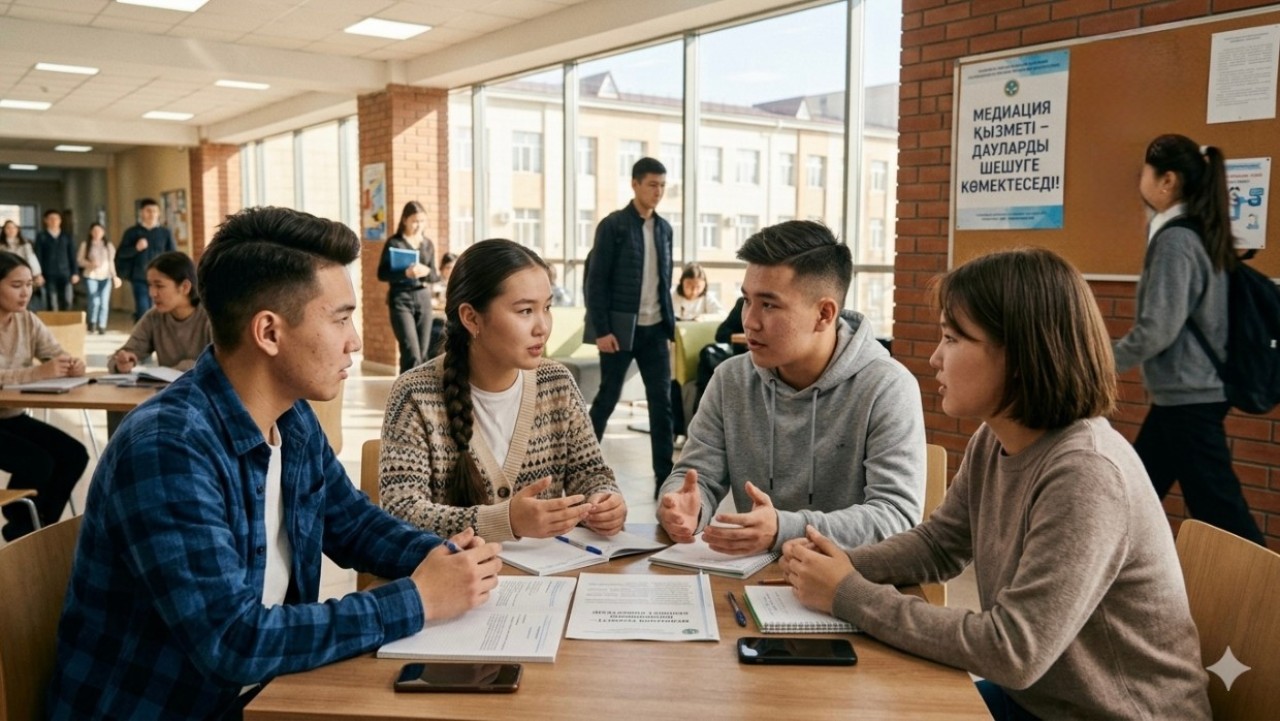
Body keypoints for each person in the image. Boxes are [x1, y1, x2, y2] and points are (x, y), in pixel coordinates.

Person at [49, 207, 502, 719]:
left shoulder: (292, 418)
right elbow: (233, 642)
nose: (354, 339)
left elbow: (351, 521)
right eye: (341, 317)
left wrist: (446, 559)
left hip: (268, 694)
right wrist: (417, 600)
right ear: (268, 332)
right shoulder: (168, 447)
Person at [781, 248, 1211, 720]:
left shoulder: (1087, 473)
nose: (934, 357)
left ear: (1023, 354)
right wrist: (836, 566)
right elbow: (940, 544)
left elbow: (1012, 650)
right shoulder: (996, 437)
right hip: (1037, 702)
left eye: (952, 338)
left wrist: (848, 592)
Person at [657, 220, 925, 555]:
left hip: (850, 585)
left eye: (769, 304)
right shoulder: (731, 379)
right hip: (752, 581)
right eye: (746, 300)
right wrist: (684, 507)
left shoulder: (887, 387)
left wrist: (784, 529)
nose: (750, 321)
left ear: (824, 314)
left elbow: (896, 518)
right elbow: (696, 478)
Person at [380, 238, 626, 542]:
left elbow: (590, 473)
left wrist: (604, 499)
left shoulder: (557, 383)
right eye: (525, 311)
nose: (542, 327)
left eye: (546, 308)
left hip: (549, 583)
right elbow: (400, 513)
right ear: (471, 317)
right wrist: (505, 520)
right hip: (457, 583)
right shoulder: (415, 394)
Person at [1113, 134, 1265, 545]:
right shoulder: (1198, 233)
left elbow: (1157, 330)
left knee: (1221, 515)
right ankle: (1106, 577)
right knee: (1134, 497)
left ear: (1167, 181)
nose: (1139, 179)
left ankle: (1266, 599)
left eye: (1145, 171)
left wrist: (1098, 361)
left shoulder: (1176, 241)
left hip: (1189, 398)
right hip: (1184, 398)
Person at [585, 157, 677, 494]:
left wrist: (670, 327)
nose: (658, 192)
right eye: (652, 184)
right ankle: (583, 469)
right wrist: (602, 330)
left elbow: (664, 281)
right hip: (619, 330)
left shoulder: (665, 229)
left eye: (663, 185)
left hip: (655, 330)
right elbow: (596, 282)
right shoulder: (613, 226)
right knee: (607, 398)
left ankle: (664, 479)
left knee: (662, 404)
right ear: (635, 184)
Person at [0, 252, 89, 541]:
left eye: (29, 284)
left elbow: (56, 354)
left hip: (12, 417)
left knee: (75, 454)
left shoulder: (26, 320)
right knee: (39, 462)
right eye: (16, 285)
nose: (25, 292)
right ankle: (22, 529)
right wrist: (37, 373)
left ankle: (38, 530)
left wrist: (72, 364)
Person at [105, 251, 212, 436]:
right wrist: (121, 362)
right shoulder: (155, 317)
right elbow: (126, 351)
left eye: (159, 286)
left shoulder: (211, 317)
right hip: (169, 398)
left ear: (185, 287)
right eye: (150, 285)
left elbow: (222, 365)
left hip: (205, 401)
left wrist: (182, 367)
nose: (152, 293)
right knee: (119, 411)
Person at [377, 200, 442, 374]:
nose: (418, 225)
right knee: (410, 351)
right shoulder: (394, 243)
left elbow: (435, 276)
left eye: (422, 221)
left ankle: (420, 395)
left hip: (423, 297)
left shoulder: (427, 244)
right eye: (414, 221)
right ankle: (406, 396)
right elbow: (382, 274)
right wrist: (405, 274)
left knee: (423, 353)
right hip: (400, 298)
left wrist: (426, 270)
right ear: (405, 220)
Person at [115, 197, 176, 322]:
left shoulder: (165, 233)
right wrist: (136, 248)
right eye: (148, 211)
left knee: (158, 309)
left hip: (161, 278)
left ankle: (155, 336)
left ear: (159, 213)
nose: (152, 214)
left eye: (155, 211)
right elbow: (121, 254)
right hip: (139, 277)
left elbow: (173, 254)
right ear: (141, 212)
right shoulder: (132, 232)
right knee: (143, 309)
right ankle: (144, 334)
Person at [76, 222, 121, 334]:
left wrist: (114, 276)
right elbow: (79, 260)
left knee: (104, 302)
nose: (97, 233)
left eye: (99, 231)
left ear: (103, 232)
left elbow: (111, 262)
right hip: (91, 276)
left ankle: (102, 325)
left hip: (106, 276)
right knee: (94, 300)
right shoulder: (85, 245)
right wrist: (89, 264)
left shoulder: (108, 246)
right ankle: (92, 322)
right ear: (91, 232)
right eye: (94, 231)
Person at [35, 209, 79, 312]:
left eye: (56, 219)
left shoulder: (67, 236)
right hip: (48, 273)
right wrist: (38, 274)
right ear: (46, 220)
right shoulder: (42, 236)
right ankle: (54, 326)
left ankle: (66, 325)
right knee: (52, 301)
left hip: (65, 273)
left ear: (60, 221)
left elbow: (72, 255)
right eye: (51, 219)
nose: (54, 221)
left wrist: (75, 273)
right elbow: (38, 256)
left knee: (67, 300)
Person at [1, 219, 45, 310]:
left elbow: (32, 259)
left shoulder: (25, 244)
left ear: (17, 230)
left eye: (13, 228)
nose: (11, 230)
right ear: (4, 230)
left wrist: (37, 274)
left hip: (22, 274)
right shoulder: (1, 245)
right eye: (8, 228)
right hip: (5, 275)